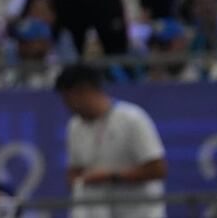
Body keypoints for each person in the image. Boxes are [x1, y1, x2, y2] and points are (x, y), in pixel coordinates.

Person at [55, 63, 168, 218]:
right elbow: (75, 170)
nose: (67, 106)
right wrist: (78, 182)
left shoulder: (132, 118)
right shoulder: (75, 126)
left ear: (84, 90)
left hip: (140, 212)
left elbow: (158, 169)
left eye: (68, 98)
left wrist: (111, 176)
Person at [0, 18, 60, 90]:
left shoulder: (55, 73)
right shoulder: (11, 72)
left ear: (44, 43)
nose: (21, 47)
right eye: (20, 42)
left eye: (26, 42)